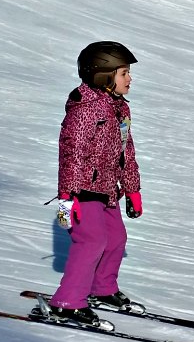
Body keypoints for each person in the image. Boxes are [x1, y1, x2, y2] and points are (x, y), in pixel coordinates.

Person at [44, 41, 143, 327]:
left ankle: (101, 289)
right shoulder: (85, 108)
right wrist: (67, 195)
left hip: (106, 191)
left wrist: (133, 189)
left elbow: (127, 152)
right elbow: (71, 152)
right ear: (104, 75)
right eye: (124, 73)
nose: (130, 79)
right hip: (81, 190)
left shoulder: (119, 109)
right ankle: (66, 303)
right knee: (92, 241)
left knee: (115, 240)